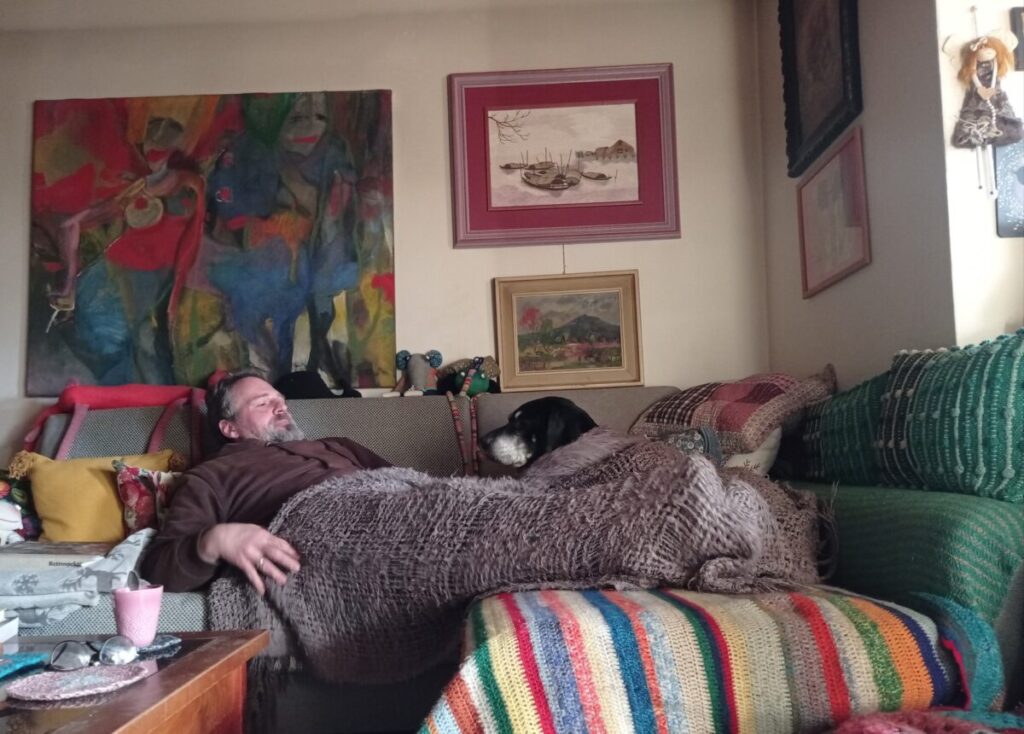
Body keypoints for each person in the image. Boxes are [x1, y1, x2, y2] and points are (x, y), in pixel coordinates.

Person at [140, 371, 389, 594]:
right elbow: (158, 568)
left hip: (390, 512)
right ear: (230, 428)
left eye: (281, 400)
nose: (282, 408)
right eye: (263, 403)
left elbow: (404, 480)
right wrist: (214, 540)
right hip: (336, 545)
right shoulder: (211, 475)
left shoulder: (339, 445)